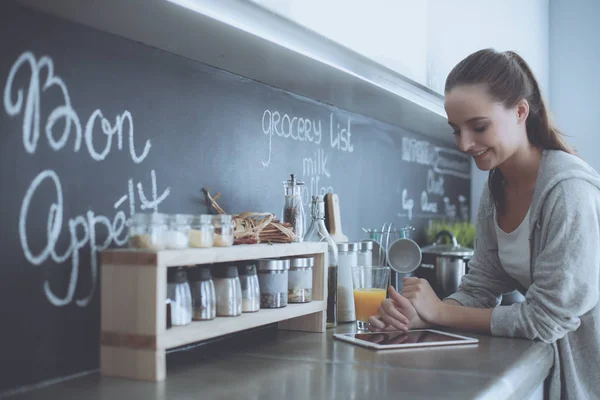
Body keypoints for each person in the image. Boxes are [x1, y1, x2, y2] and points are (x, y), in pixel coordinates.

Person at [368, 48, 600, 399]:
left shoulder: (568, 191)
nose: (464, 144)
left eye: (478, 127)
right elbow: (481, 286)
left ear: (521, 111)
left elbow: (545, 320)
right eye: (455, 130)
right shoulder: (497, 187)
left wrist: (441, 312)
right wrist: (419, 317)